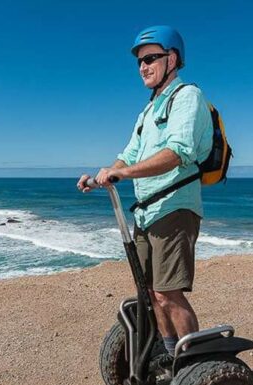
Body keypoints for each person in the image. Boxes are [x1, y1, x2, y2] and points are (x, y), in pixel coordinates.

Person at [78, 25, 212, 359]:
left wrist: (123, 172)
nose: (142, 67)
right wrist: (104, 175)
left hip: (175, 207)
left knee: (169, 293)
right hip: (146, 211)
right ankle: (170, 355)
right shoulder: (148, 111)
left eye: (150, 58)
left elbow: (178, 152)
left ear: (172, 59)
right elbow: (129, 154)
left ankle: (193, 366)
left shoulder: (187, 97)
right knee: (150, 293)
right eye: (139, 61)